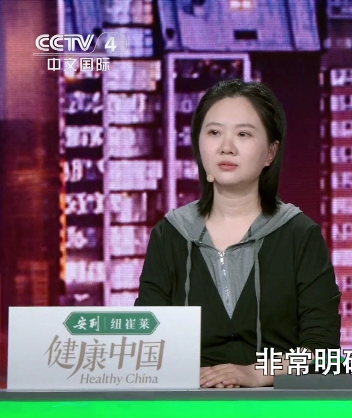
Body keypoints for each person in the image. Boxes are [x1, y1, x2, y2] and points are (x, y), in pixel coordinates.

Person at [135, 79, 341, 388]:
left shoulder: (300, 234)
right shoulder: (170, 234)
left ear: (270, 152)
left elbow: (323, 352)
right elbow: (148, 341)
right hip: (189, 404)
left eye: (243, 134)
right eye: (214, 133)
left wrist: (256, 373)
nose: (226, 147)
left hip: (276, 404)